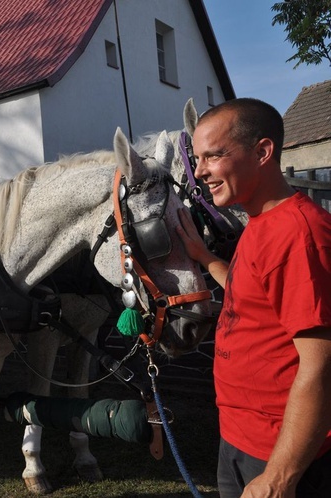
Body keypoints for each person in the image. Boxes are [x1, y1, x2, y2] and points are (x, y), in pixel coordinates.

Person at [175, 98, 331, 498]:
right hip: (241, 438)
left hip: (284, 452)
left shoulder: (298, 234)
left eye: (213, 156)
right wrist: (207, 259)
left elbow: (321, 367)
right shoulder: (261, 223)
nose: (200, 171)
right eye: (197, 158)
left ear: (262, 152)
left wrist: (279, 479)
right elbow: (255, 296)